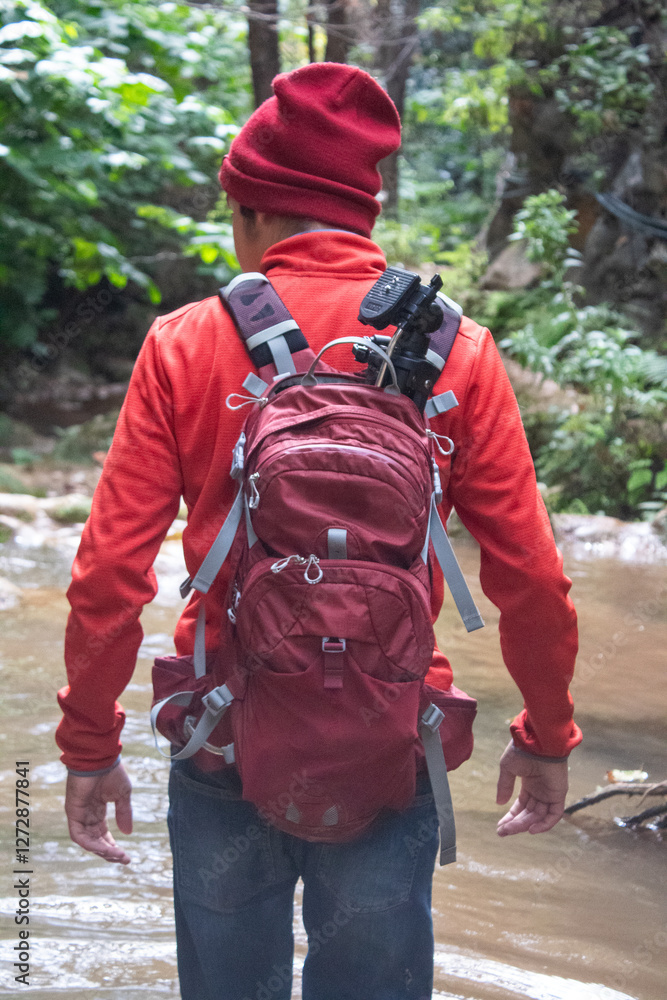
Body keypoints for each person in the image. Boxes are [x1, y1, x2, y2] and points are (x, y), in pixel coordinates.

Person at [57, 63, 581, 1000]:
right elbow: (530, 580)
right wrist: (546, 734)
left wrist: (89, 746)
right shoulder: (455, 350)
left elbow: (108, 577)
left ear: (252, 207)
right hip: (390, 728)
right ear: (363, 213)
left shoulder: (185, 342)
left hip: (222, 730)